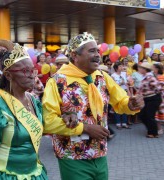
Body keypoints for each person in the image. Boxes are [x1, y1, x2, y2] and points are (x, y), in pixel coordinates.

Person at [42, 32, 144, 180]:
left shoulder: (102, 77)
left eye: (97, 50)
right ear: (75, 55)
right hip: (72, 157)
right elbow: (48, 121)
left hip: (100, 153)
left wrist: (131, 104)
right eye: (91, 51)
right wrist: (85, 128)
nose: (97, 55)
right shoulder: (57, 81)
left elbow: (121, 101)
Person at [0, 43, 48, 180]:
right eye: (25, 71)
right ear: (7, 75)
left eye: (33, 70)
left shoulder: (33, 101)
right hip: (4, 175)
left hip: (34, 174)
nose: (31, 75)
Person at [138, 62, 162, 138]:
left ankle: (153, 133)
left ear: (145, 69)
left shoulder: (150, 77)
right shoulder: (145, 77)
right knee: (142, 115)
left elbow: (158, 88)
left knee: (149, 116)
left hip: (153, 98)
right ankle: (151, 130)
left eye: (141, 68)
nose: (139, 69)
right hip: (148, 99)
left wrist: (149, 92)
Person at [111, 62, 130, 129]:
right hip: (117, 93)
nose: (122, 67)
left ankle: (124, 122)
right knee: (118, 107)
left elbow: (128, 83)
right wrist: (120, 83)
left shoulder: (124, 74)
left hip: (124, 92)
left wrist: (129, 92)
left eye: (122, 66)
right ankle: (118, 123)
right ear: (116, 68)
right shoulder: (113, 75)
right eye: (120, 66)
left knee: (125, 106)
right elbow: (113, 86)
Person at [152, 63, 164, 134]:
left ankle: (159, 129)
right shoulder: (159, 77)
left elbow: (158, 89)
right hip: (159, 97)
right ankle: (159, 129)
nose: (152, 69)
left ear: (157, 69)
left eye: (153, 68)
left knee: (158, 113)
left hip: (160, 97)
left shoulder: (160, 78)